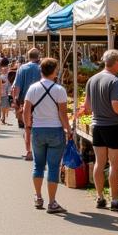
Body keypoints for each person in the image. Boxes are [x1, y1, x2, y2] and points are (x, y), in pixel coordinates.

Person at [77, 49, 118, 211]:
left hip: (97, 126)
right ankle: (114, 200)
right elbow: (116, 107)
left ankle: (100, 197)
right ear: (116, 62)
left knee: (99, 163)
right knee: (115, 164)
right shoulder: (115, 81)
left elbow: (87, 107)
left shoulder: (92, 80)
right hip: (114, 126)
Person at [24, 58, 71, 215]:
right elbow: (62, 114)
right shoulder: (59, 90)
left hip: (37, 130)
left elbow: (26, 110)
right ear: (55, 71)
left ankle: (38, 197)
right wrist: (68, 129)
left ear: (41, 70)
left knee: (38, 165)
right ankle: (52, 202)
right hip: (55, 130)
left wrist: (28, 126)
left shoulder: (33, 88)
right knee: (53, 167)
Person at [11, 48, 43, 160]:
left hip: (26, 102)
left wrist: (15, 100)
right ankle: (39, 152)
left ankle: (29, 152)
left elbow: (17, 86)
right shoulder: (41, 68)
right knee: (40, 126)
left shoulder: (22, 68)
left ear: (28, 56)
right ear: (38, 56)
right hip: (41, 102)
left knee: (27, 127)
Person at [0, 57, 11, 124]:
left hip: (1, 90)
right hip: (6, 90)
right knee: (5, 104)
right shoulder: (9, 69)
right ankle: (3, 116)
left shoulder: (0, 69)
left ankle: (2, 116)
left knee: (1, 104)